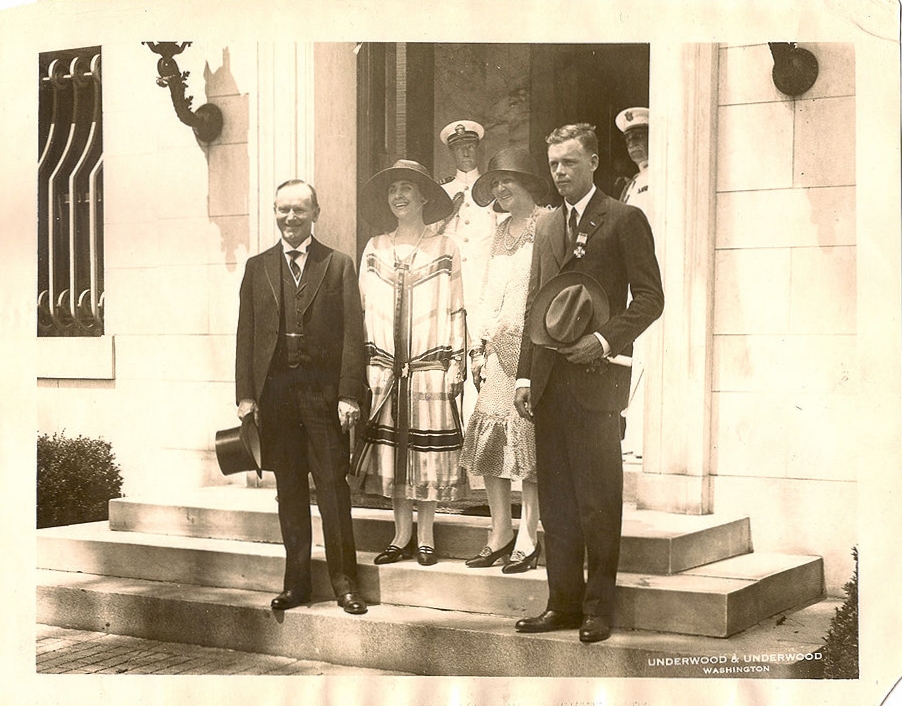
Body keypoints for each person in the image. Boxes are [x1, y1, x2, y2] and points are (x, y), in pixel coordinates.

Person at [513, 123, 664, 643]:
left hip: (597, 382)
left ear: (594, 162)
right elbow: (535, 304)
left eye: (570, 162)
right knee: (556, 504)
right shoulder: (545, 226)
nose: (560, 172)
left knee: (598, 501)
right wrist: (524, 375)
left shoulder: (624, 218)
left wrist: (603, 341)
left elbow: (650, 299)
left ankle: (598, 608)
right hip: (549, 383)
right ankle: (562, 604)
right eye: (554, 163)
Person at [235, 179, 368, 615]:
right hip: (276, 399)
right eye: (283, 210)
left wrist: (349, 394)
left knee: (332, 489)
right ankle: (296, 584)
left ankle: (345, 583)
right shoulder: (257, 267)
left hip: (322, 398)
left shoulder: (338, 264)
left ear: (315, 213)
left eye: (299, 210)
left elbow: (353, 336)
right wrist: (246, 396)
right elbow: (246, 335)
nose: (290, 218)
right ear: (275, 212)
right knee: (289, 492)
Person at [354, 159, 468, 567]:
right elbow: (361, 308)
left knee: (425, 454)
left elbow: (456, 308)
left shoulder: (445, 247)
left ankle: (426, 536)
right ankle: (400, 534)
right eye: (392, 189)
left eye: (406, 188)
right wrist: (362, 366)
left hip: (428, 366)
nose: (398, 196)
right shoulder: (375, 248)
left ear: (424, 197)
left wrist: (456, 361)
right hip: (384, 369)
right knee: (395, 455)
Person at [459, 147, 547, 573]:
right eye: (495, 183)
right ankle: (499, 533)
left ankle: (529, 537)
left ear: (527, 182)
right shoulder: (495, 234)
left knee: (528, 447)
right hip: (496, 352)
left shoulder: (547, 226)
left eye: (507, 180)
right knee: (491, 443)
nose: (500, 189)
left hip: (535, 351)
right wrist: (479, 348)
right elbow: (485, 294)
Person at [437, 120, 496, 426]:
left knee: (481, 358)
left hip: (484, 288)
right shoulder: (442, 192)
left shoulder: (492, 189)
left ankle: (476, 430)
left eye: (471, 147)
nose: (466, 153)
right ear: (452, 153)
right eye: (460, 148)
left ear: (478, 149)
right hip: (450, 287)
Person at [615, 107, 651, 458]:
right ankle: (635, 438)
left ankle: (644, 440)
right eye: (629, 140)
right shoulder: (633, 183)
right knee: (636, 356)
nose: (634, 144)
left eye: (640, 137)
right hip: (633, 282)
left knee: (649, 356)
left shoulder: (660, 177)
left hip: (651, 281)